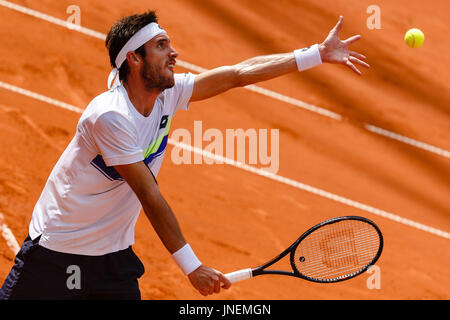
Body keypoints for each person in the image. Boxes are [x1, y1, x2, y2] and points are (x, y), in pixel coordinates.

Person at [0, 11, 369, 300]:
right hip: (58, 252)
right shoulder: (111, 116)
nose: (174, 52)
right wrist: (191, 267)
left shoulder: (167, 95)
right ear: (134, 59)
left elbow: (238, 73)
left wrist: (315, 54)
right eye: (162, 45)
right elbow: (149, 195)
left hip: (112, 257)